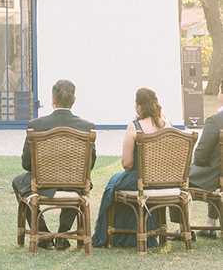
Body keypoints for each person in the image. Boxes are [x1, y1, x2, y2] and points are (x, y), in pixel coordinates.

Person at [13, 78, 96, 250]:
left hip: (42, 184)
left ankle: (42, 232)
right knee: (80, 183)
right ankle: (64, 232)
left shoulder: (36, 125)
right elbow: (90, 165)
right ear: (74, 100)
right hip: (75, 185)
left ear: (52, 100)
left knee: (18, 181)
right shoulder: (87, 127)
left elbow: (26, 164)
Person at [92, 86, 171, 248]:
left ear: (139, 106)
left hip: (141, 179)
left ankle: (115, 235)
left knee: (114, 182)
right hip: (166, 181)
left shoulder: (135, 126)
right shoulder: (168, 124)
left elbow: (127, 164)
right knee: (118, 181)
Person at [187, 79, 223, 237]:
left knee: (177, 180)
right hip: (218, 175)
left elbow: (200, 156)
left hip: (215, 177)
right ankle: (209, 223)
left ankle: (183, 228)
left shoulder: (215, 121)